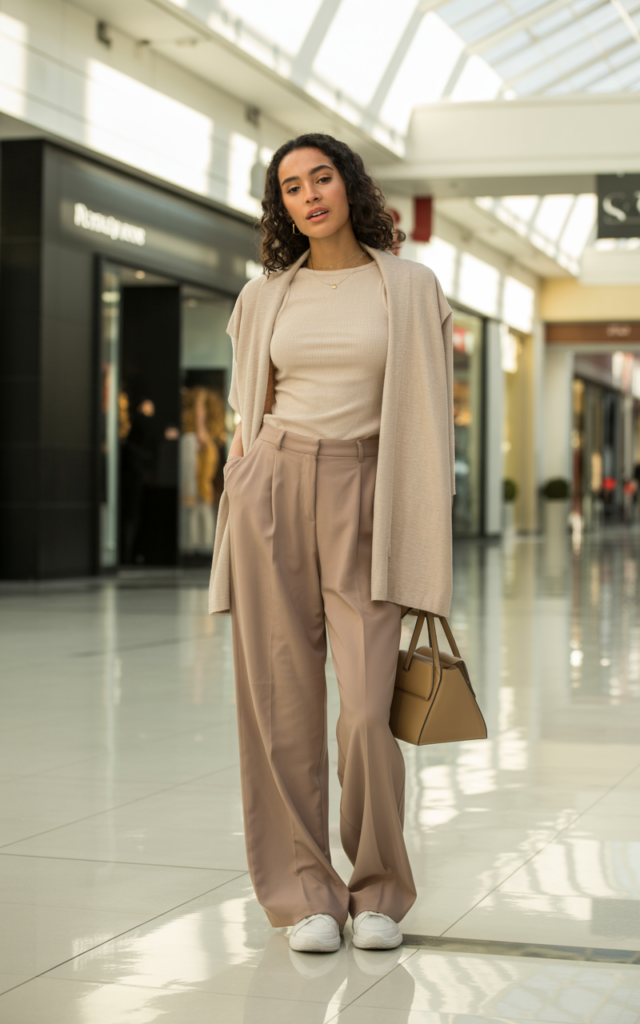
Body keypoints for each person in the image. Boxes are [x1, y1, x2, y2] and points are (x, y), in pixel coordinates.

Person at [209, 133, 454, 953]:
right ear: (280, 205)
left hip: (369, 493)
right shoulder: (263, 295)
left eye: (322, 178)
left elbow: (427, 412)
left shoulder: (410, 287)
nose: (309, 194)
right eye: (291, 186)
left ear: (349, 186)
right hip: (273, 487)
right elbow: (251, 405)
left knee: (364, 711)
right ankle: (305, 893)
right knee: (281, 705)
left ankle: (379, 886)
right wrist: (240, 481)